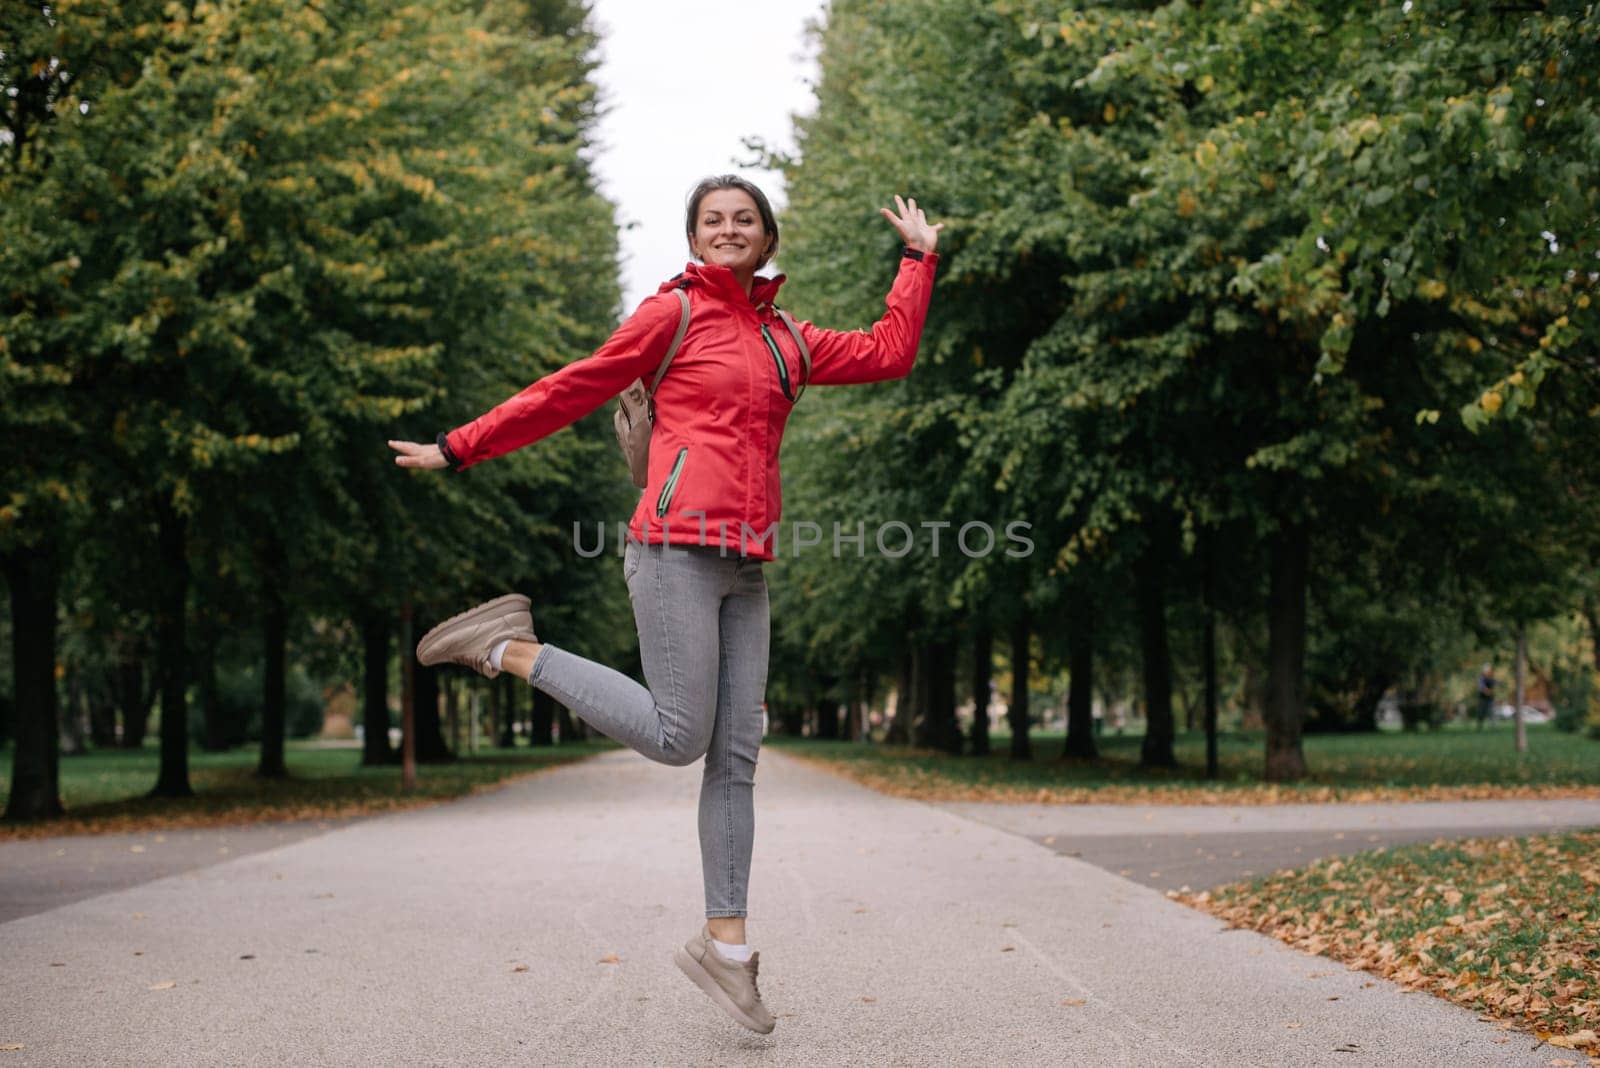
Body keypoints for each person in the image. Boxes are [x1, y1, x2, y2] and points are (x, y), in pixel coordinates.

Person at [387, 175, 942, 1033]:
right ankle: (508, 647)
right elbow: (573, 386)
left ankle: (726, 949)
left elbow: (888, 352)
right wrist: (461, 447)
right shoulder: (672, 316)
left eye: (744, 219)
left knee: (736, 756)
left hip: (745, 571)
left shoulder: (790, 339)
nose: (729, 229)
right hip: (672, 552)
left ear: (767, 238)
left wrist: (917, 258)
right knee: (681, 736)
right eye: (713, 220)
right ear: (695, 236)